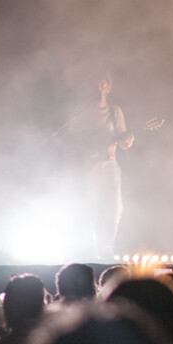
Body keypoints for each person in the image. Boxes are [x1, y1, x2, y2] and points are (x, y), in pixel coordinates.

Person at [62, 70, 135, 259]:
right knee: (91, 206)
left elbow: (123, 140)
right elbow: (71, 134)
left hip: (110, 165)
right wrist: (87, 149)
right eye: (97, 83)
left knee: (115, 207)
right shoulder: (84, 109)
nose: (100, 86)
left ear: (109, 87)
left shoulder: (115, 111)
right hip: (90, 167)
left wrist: (127, 140)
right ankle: (91, 251)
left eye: (104, 83)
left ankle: (107, 250)